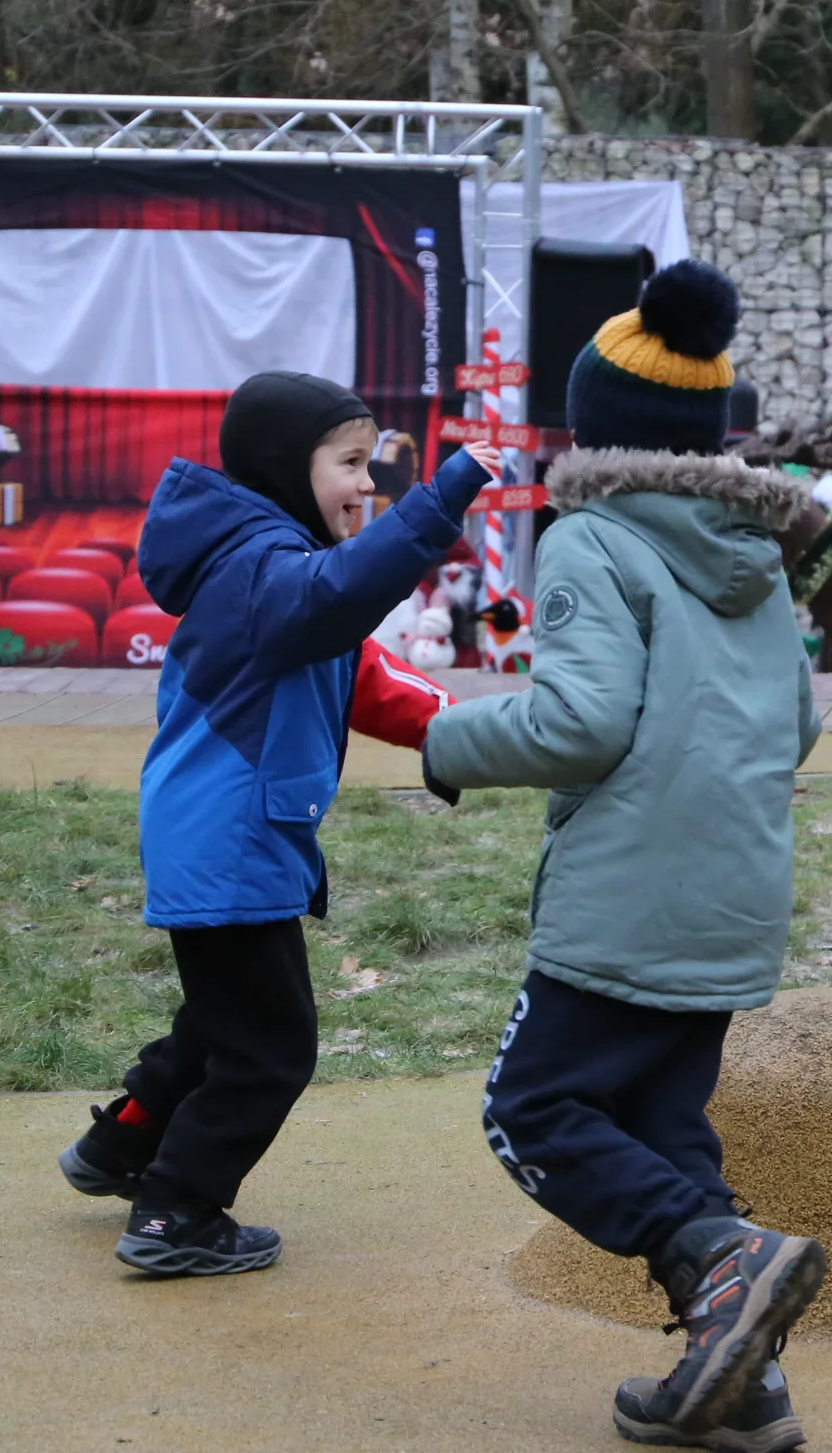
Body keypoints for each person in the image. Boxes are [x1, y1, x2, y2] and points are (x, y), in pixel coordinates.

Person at [420, 261, 827, 1452]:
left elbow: (579, 724)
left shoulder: (591, 541)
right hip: (735, 892)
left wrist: (447, 740)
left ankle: (724, 1256)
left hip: (628, 888)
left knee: (531, 1109)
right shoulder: (753, 552)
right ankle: (740, 1384)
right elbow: (799, 718)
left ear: (594, 425)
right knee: (662, 1131)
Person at [57, 372, 497, 1276]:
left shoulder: (276, 567)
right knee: (274, 1045)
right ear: (282, 470)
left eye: (373, 465)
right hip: (231, 840)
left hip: (223, 837)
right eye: (349, 463)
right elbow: (343, 600)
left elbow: (365, 676)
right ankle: (177, 1211)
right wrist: (438, 497)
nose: (367, 484)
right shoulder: (265, 568)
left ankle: (118, 1148)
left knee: (221, 1022)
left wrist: (464, 732)